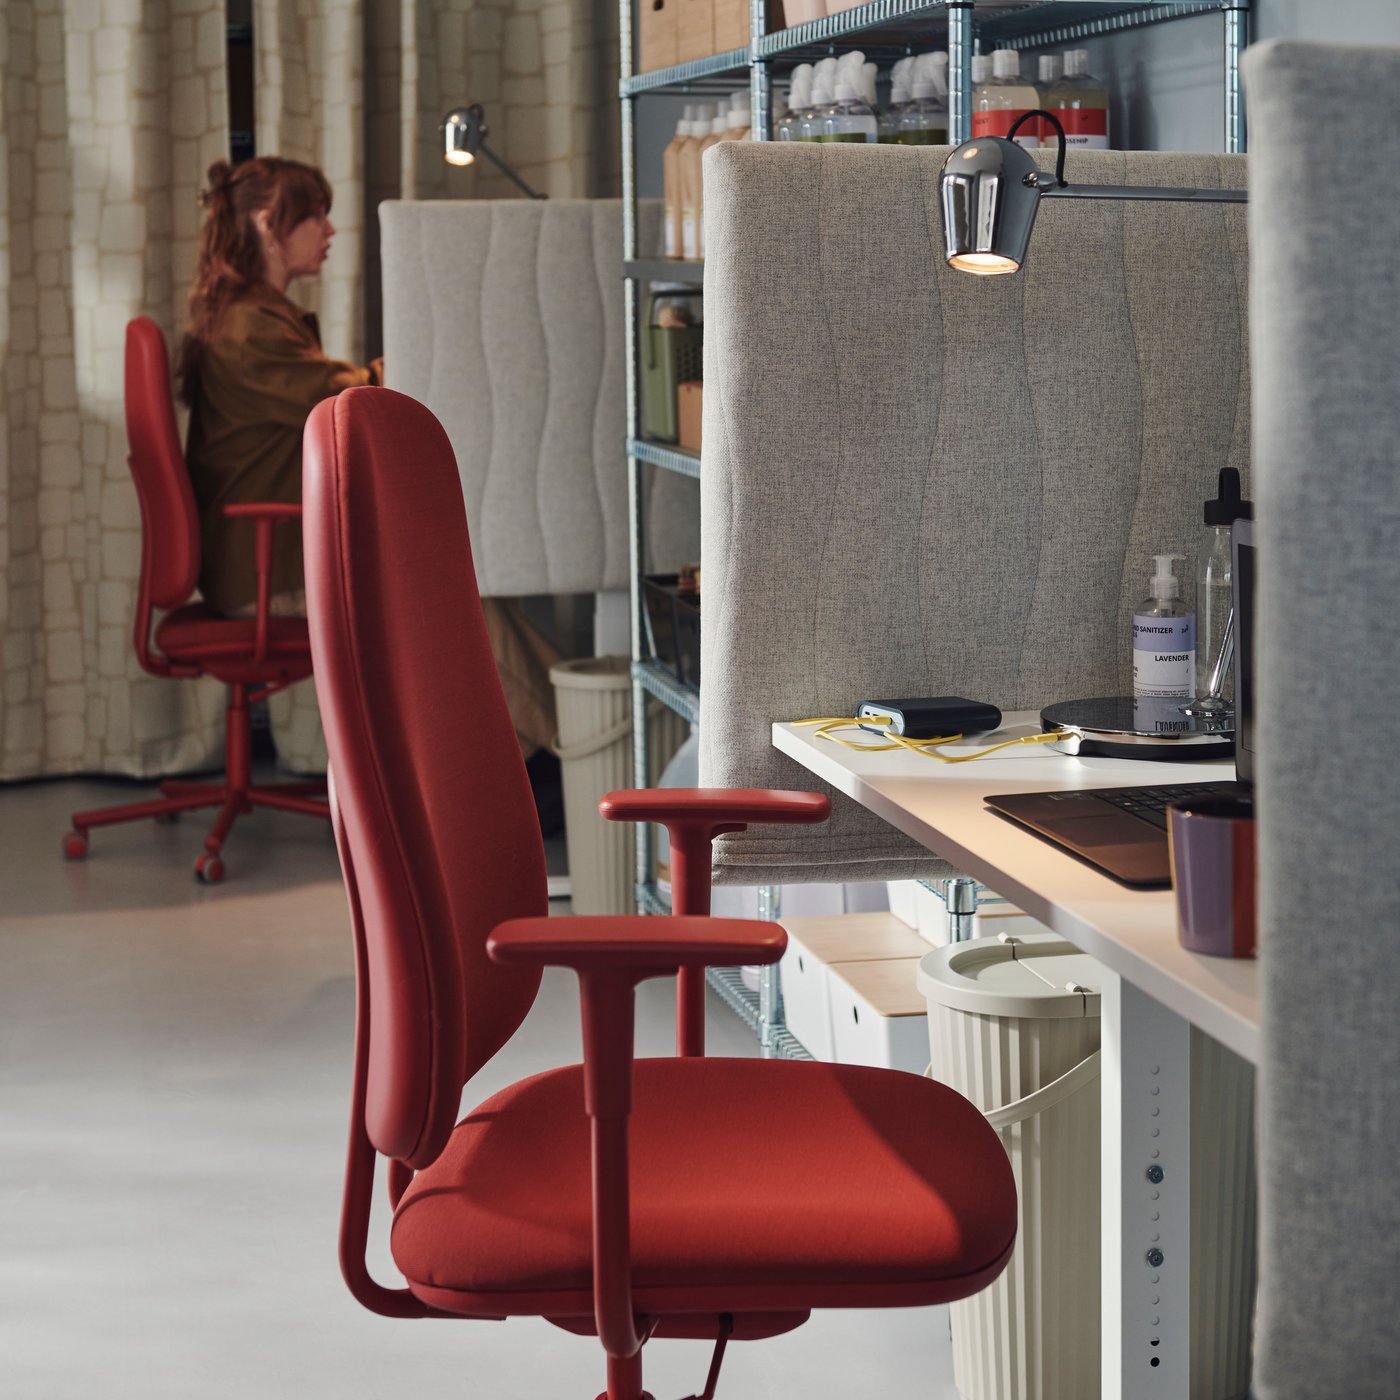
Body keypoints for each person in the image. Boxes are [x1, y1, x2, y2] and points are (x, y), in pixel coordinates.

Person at [176, 157, 563, 802]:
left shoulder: (253, 314)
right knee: (457, 598)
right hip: (268, 568)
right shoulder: (248, 327)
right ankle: (575, 750)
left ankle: (534, 762)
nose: (329, 230)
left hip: (268, 557)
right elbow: (349, 401)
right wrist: (424, 347)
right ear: (271, 224)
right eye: (315, 215)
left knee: (469, 588)